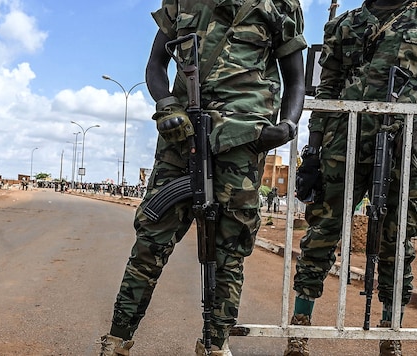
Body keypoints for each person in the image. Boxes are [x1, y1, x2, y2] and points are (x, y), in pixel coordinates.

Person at [99, 0, 306, 355]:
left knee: (229, 250)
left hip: (244, 139)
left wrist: (287, 125)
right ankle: (117, 339)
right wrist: (166, 105)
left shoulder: (281, 3)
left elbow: (295, 79)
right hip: (183, 136)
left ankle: (215, 344)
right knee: (151, 243)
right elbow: (155, 66)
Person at [290, 1, 417, 355]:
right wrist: (312, 152)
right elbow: (327, 91)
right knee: (322, 233)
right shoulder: (344, 24)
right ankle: (298, 328)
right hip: (343, 141)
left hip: (403, 145)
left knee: (397, 240)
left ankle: (390, 331)